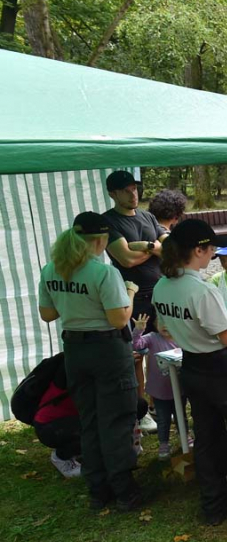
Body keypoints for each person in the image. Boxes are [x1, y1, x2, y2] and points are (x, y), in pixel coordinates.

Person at [152, 219, 227, 525]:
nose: (213, 255)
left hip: (191, 365)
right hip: (218, 367)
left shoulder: (162, 285)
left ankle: (213, 504)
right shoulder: (201, 290)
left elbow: (163, 327)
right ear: (198, 250)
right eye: (211, 249)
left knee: (207, 437)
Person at [38, 211, 140, 510]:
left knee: (89, 418)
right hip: (107, 349)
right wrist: (130, 292)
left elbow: (48, 314)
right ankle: (124, 491)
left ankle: (98, 489)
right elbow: (119, 319)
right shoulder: (103, 272)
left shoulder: (52, 269)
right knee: (116, 419)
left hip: (75, 349)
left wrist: (74, 305)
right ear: (101, 240)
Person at [102, 170, 167, 434]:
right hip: (132, 295)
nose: (133, 194)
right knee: (136, 356)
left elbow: (169, 247)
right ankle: (140, 410)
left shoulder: (148, 216)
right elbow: (125, 259)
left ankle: (159, 403)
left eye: (135, 189)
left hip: (159, 292)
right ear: (113, 194)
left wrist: (145, 246)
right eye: (126, 191)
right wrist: (154, 249)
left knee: (163, 349)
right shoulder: (109, 221)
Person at [131, 313, 183, 460]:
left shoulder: (181, 337)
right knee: (163, 419)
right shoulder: (152, 338)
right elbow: (137, 345)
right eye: (161, 322)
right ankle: (164, 444)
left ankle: (184, 436)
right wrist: (138, 331)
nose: (165, 325)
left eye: (169, 321)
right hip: (159, 389)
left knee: (181, 416)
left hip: (180, 387)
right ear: (155, 324)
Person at [31, 357, 81, 478]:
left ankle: (79, 452)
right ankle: (61, 457)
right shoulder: (69, 371)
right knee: (94, 430)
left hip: (63, 422)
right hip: (49, 427)